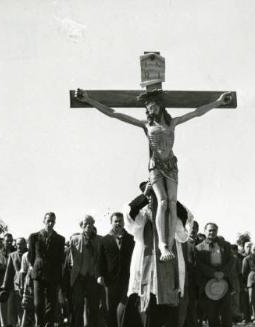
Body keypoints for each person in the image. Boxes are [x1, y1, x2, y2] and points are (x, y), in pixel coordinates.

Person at [75, 88, 231, 262]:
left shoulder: (172, 123)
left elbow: (196, 113)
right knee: (163, 201)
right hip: (156, 166)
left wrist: (218, 102)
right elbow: (114, 114)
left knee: (172, 204)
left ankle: (169, 243)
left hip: (171, 166)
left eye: (153, 105)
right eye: (148, 107)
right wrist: (89, 100)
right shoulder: (146, 125)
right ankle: (162, 245)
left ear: (159, 105)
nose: (150, 109)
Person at [125, 182, 193, 327]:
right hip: (148, 264)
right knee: (149, 304)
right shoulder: (143, 213)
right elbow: (130, 219)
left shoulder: (173, 210)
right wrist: (142, 199)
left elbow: (184, 231)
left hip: (169, 262)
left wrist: (171, 202)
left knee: (169, 305)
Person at [27, 212, 66, 327]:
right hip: (38, 273)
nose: (50, 223)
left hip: (53, 274)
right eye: (48, 220)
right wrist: (35, 267)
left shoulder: (60, 239)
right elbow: (31, 256)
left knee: (51, 304)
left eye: (53, 221)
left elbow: (61, 258)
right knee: (38, 303)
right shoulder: (34, 237)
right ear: (43, 220)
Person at [195, 223, 234, 327]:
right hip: (208, 284)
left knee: (226, 311)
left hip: (224, 282)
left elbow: (231, 261)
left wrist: (223, 273)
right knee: (212, 312)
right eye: (210, 230)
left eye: (214, 230)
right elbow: (199, 264)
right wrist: (213, 273)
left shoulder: (225, 245)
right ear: (205, 231)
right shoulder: (199, 248)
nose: (212, 233)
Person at [98, 212, 135, 327]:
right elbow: (100, 260)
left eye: (120, 221)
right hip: (110, 279)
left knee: (124, 307)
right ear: (111, 222)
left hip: (126, 278)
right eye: (116, 221)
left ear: (124, 222)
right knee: (110, 307)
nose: (118, 223)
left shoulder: (131, 239)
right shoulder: (104, 240)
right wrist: (100, 275)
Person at [68, 215, 103, 327]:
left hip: (92, 276)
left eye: (90, 223)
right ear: (81, 226)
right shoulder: (74, 239)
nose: (88, 226)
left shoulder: (99, 240)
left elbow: (101, 259)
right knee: (78, 304)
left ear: (93, 225)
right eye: (85, 223)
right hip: (79, 276)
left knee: (92, 305)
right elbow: (70, 260)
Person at [1, 237, 27, 327]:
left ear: (25, 244)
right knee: (13, 305)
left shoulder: (29, 254)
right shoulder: (12, 255)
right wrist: (5, 285)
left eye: (22, 244)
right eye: (18, 244)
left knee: (24, 305)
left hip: (27, 283)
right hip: (15, 284)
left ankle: (24, 325)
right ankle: (12, 325)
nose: (20, 246)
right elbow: (9, 271)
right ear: (15, 245)